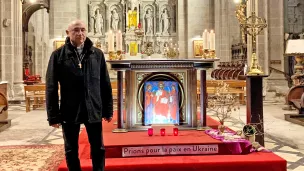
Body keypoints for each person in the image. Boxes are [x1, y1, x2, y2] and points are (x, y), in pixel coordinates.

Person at [45, 20, 113, 171]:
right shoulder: (58, 55)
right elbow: (51, 86)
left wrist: (108, 110)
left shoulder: (97, 54)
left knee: (98, 148)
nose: (80, 33)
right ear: (68, 33)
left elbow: (105, 84)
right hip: (70, 108)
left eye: (83, 29)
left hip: (93, 107)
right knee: (70, 149)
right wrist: (53, 115)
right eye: (76, 30)